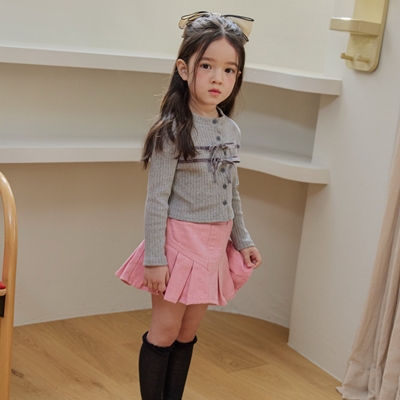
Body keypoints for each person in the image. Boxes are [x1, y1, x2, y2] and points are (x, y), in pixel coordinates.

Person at [116, 11, 262, 400]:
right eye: (207, 66)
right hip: (180, 242)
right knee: (165, 331)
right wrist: (155, 258)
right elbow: (156, 200)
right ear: (184, 69)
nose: (218, 78)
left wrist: (243, 239)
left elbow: (231, 190)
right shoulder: (172, 131)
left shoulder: (230, 130)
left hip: (214, 246)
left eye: (229, 70)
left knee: (187, 332)